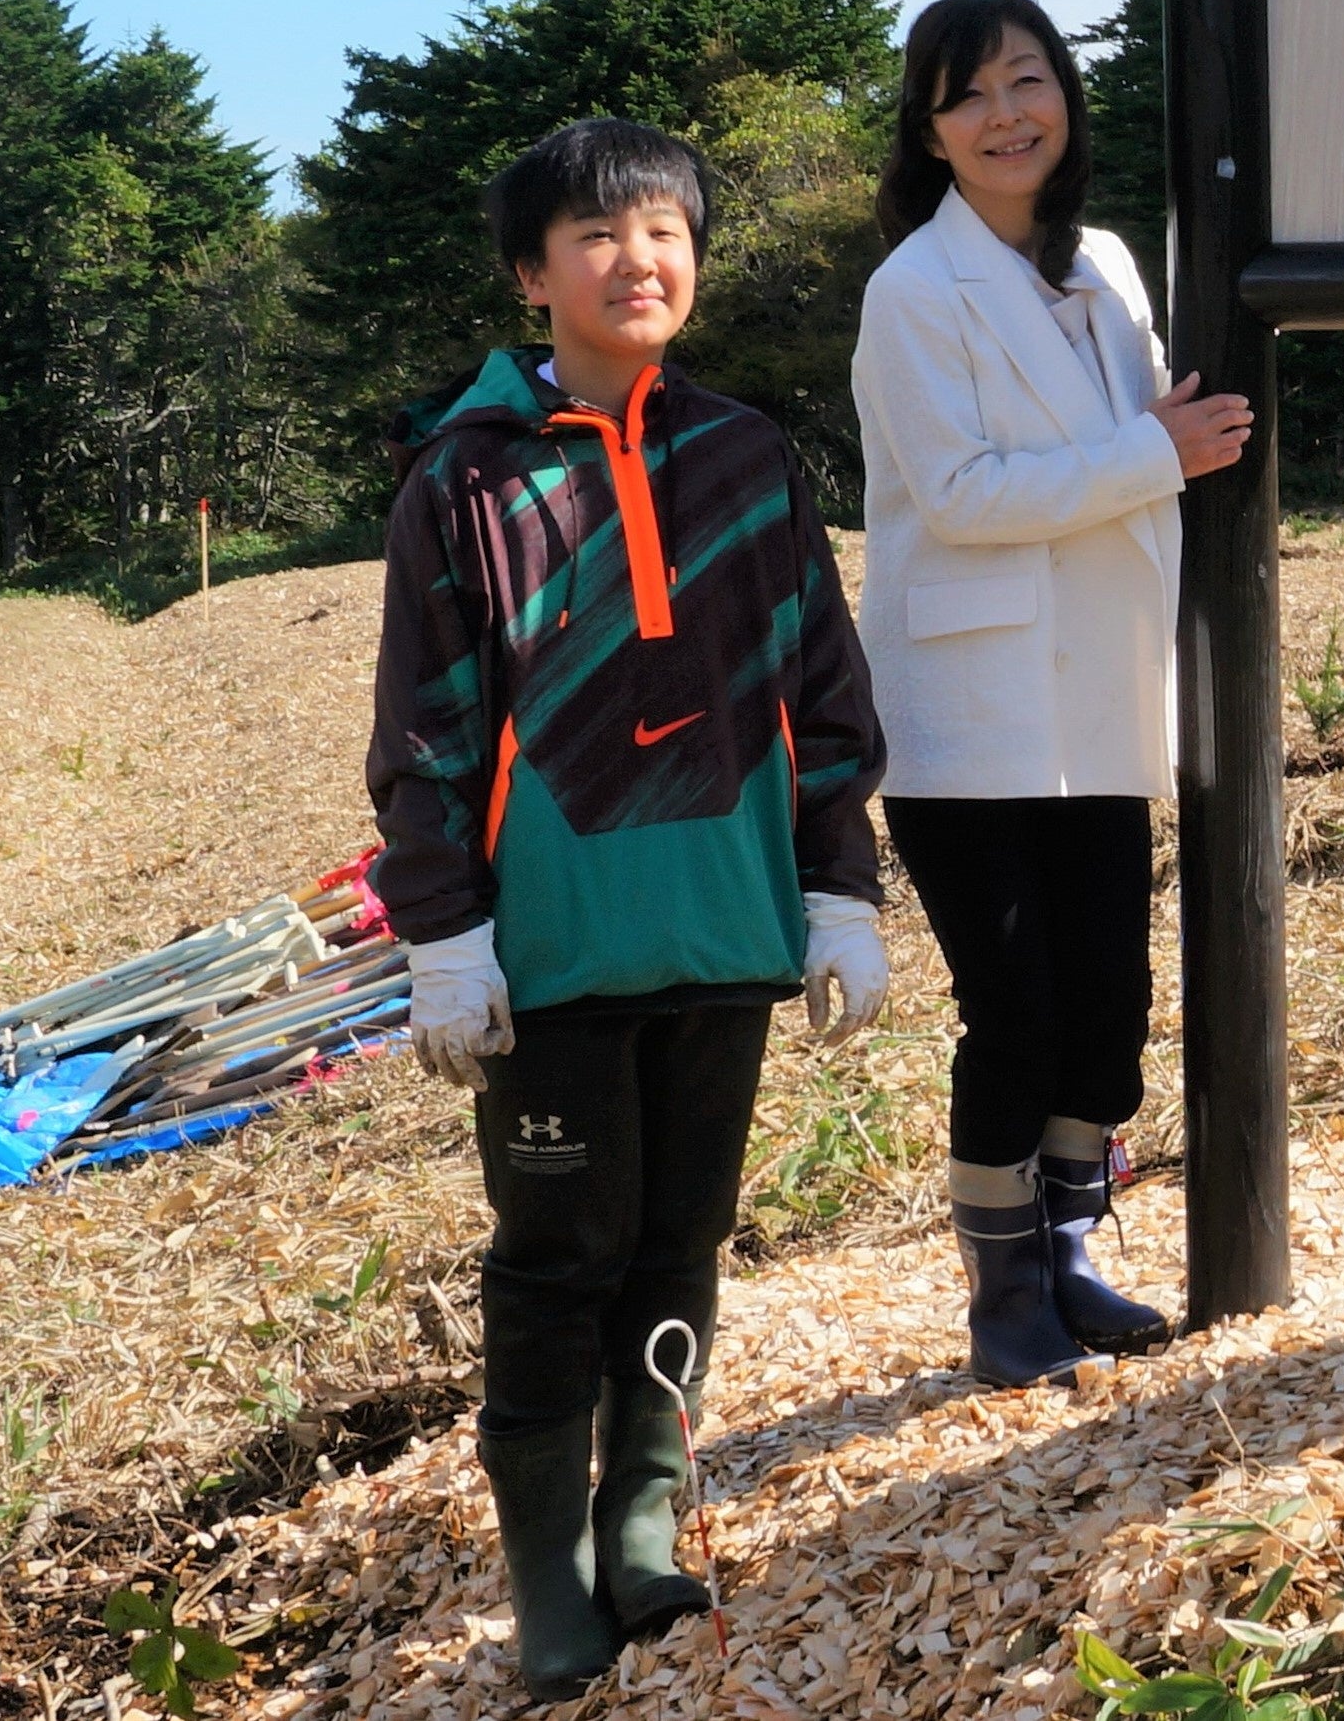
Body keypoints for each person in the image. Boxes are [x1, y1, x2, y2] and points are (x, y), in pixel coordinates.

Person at [372, 118, 891, 1703]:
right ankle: (546, 1572)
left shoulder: (746, 458)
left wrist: (837, 887)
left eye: (664, 229)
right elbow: (430, 730)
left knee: (680, 1240)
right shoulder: (465, 481)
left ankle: (644, 1525)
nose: (637, 259)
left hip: (725, 936)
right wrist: (444, 934)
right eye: (596, 237)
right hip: (552, 955)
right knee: (558, 1255)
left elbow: (820, 684)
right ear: (533, 275)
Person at [854, 0, 1253, 1385]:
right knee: (1012, 1008)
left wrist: (1170, 448)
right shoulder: (913, 291)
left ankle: (1075, 1244)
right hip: (972, 711)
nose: (1006, 114)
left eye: (1029, 81)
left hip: (1101, 695)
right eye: (969, 95)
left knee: (1109, 1001)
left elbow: (1156, 431)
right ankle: (1002, 1287)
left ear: (1066, 99)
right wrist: (1159, 454)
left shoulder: (1110, 269)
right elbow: (959, 496)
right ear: (932, 130)